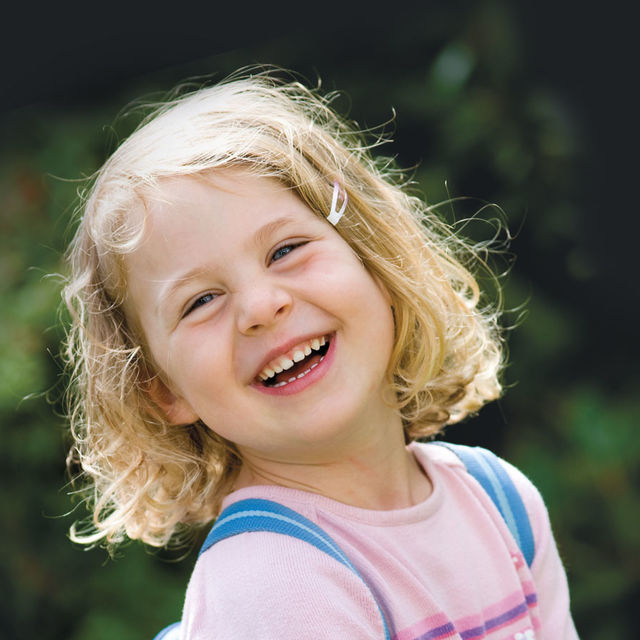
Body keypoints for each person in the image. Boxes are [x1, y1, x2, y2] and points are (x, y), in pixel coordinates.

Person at [62, 67, 579, 639]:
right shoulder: (272, 586)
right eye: (202, 300)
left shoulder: (501, 503)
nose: (261, 306)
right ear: (163, 389)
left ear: (375, 261)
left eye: (286, 249)